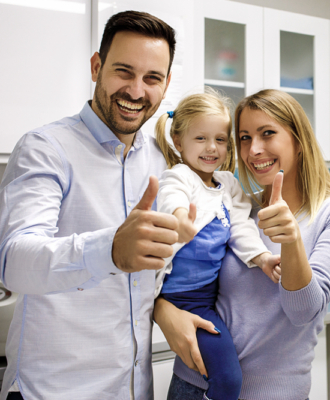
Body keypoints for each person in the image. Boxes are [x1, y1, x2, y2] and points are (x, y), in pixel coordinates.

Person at [0, 11, 216, 400]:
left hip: (132, 389)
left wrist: (166, 307)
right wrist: (111, 250)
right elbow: (14, 262)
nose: (136, 91)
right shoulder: (46, 149)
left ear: (166, 85)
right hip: (51, 390)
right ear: (97, 67)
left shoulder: (163, 162)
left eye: (152, 78)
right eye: (123, 71)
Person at [154, 89, 330, 400]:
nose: (253, 149)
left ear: (298, 139)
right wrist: (162, 310)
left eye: (267, 134)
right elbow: (189, 281)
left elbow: (302, 311)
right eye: (243, 137)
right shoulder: (234, 206)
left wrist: (291, 240)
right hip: (191, 384)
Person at [154, 90, 281, 400]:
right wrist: (180, 220)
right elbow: (173, 199)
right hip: (179, 300)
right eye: (200, 138)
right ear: (178, 139)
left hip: (206, 301)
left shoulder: (228, 185)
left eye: (221, 140)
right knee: (228, 379)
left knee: (226, 377)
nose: (212, 148)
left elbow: (241, 226)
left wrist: (263, 257)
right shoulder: (178, 176)